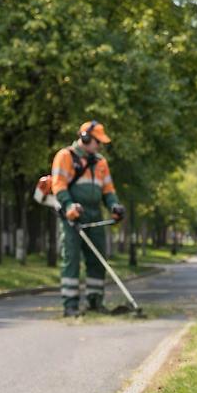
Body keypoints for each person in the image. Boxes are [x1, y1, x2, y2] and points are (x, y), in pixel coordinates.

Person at [50, 120, 127, 317]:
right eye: (97, 141)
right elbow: (58, 185)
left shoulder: (100, 162)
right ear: (85, 137)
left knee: (97, 259)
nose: (99, 146)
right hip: (73, 215)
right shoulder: (65, 156)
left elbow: (108, 190)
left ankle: (94, 301)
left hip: (95, 214)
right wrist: (69, 205)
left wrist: (114, 205)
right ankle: (70, 305)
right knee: (72, 259)